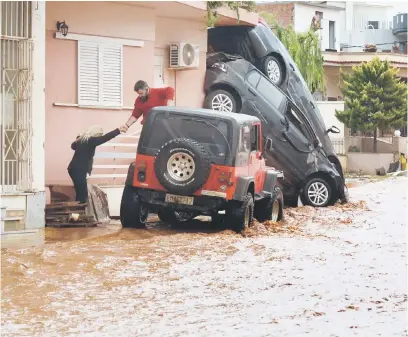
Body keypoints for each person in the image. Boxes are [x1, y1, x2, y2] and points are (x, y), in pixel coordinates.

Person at [68, 125, 126, 204]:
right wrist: (118, 131)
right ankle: (79, 213)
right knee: (82, 195)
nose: (99, 137)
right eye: (99, 135)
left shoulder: (82, 140)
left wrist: (79, 137)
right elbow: (105, 138)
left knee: (80, 192)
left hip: (73, 169)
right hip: (79, 170)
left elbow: (73, 146)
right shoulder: (90, 140)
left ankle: (77, 213)